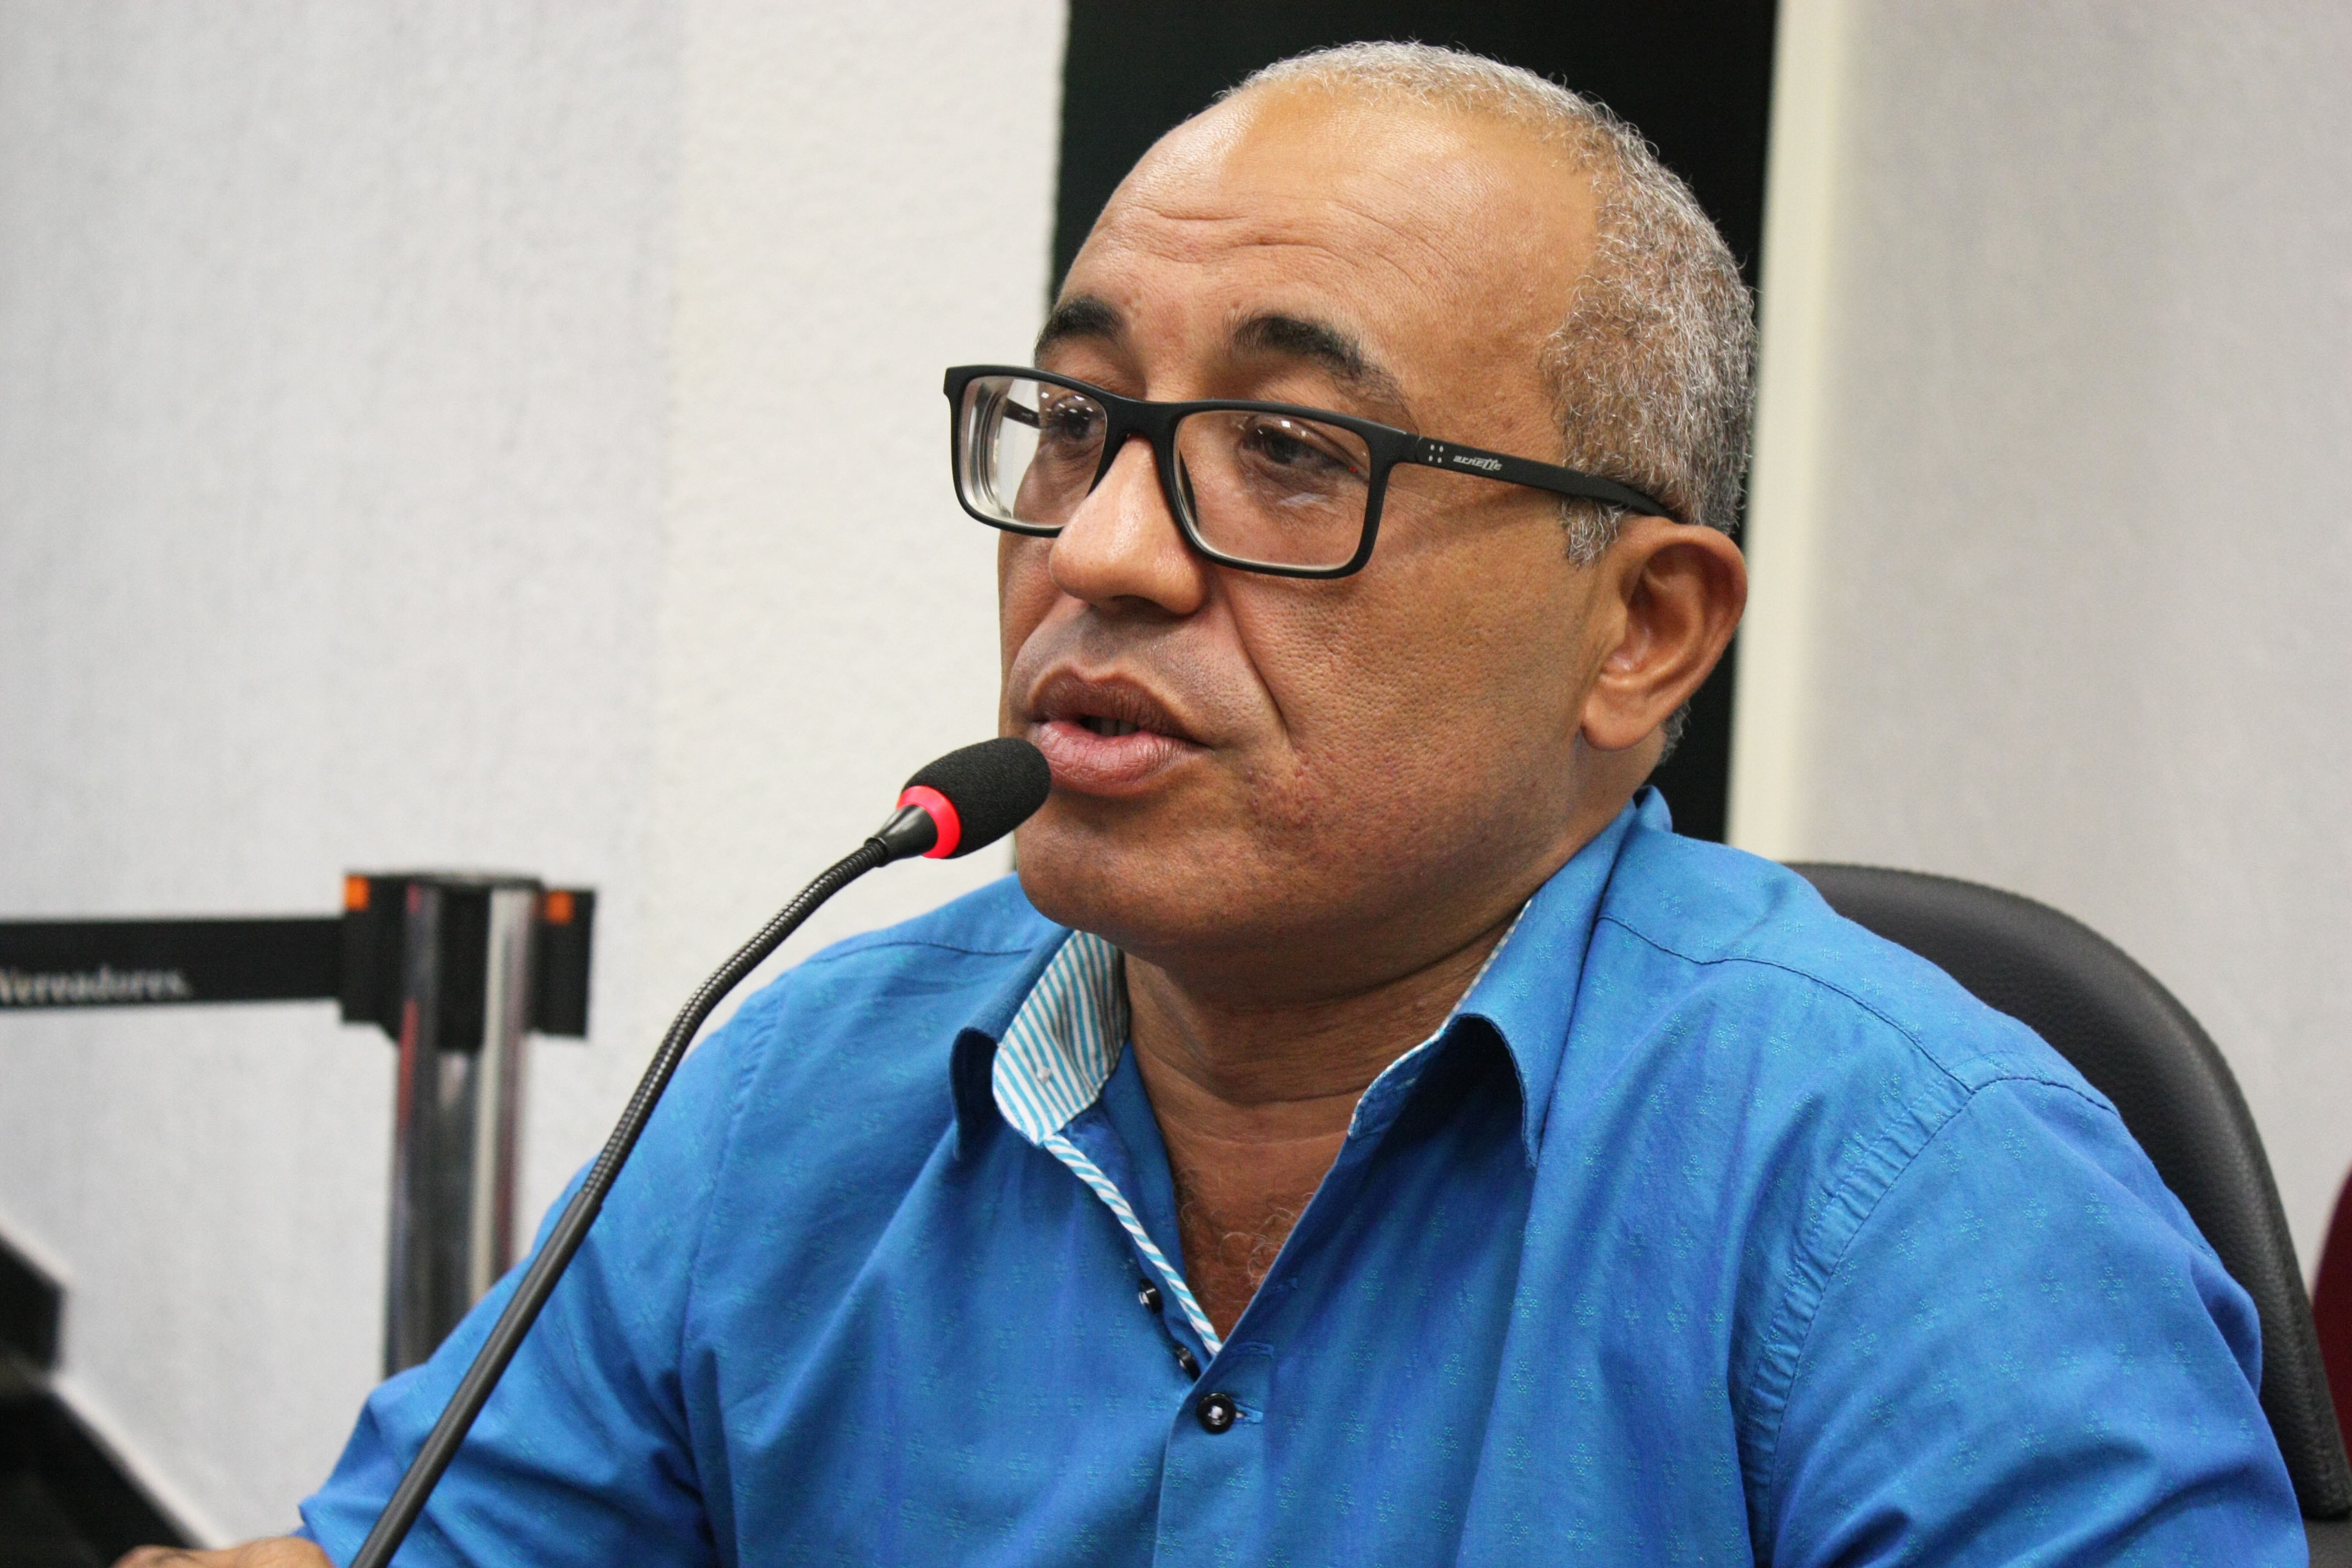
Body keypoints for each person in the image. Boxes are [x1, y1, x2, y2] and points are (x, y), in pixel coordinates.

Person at [125, 41, 2302, 1567]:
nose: (1099, 552)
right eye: (1074, 422)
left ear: (1641, 628)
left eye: (1289, 453)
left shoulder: (1925, 1197)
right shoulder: (795, 1099)